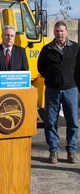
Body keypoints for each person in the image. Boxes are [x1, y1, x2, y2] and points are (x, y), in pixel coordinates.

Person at [38, 21, 80, 164]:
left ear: (67, 32)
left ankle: (71, 151)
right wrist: (51, 79)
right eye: (57, 31)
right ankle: (53, 151)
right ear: (54, 33)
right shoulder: (47, 49)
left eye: (62, 31)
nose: (59, 34)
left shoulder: (76, 48)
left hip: (70, 90)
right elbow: (40, 67)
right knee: (50, 122)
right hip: (52, 90)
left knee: (73, 122)